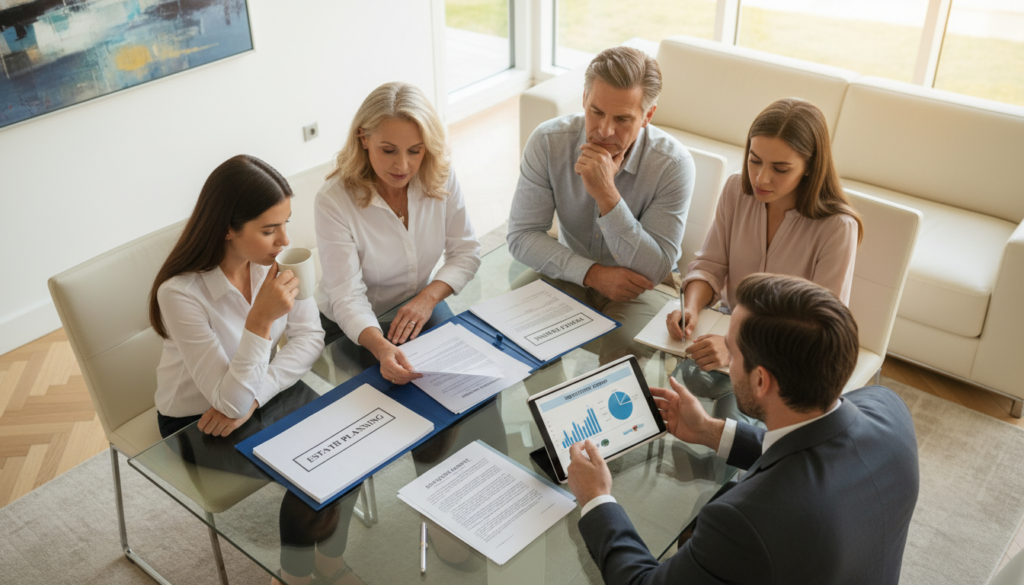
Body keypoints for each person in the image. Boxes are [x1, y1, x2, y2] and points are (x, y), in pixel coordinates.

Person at [566, 273, 920, 584]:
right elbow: (815, 444)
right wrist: (709, 430)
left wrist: (596, 499)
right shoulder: (889, 410)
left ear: (762, 379)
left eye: (732, 354)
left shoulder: (742, 522)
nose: (728, 364)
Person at [149, 155, 358, 585]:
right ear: (229, 227)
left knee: (350, 447)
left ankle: (330, 563)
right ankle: (292, 577)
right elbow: (226, 401)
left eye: (285, 223)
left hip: (260, 393)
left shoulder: (279, 263)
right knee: (309, 474)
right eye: (269, 230)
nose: (284, 240)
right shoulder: (181, 294)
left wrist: (258, 396)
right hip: (196, 420)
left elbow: (309, 339)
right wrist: (260, 322)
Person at [507, 46, 695, 364]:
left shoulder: (672, 164)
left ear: (648, 115)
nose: (605, 130)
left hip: (644, 287)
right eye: (596, 111)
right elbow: (521, 236)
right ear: (584, 99)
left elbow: (657, 267)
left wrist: (607, 195)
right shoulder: (548, 142)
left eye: (622, 118)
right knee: (513, 321)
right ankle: (544, 407)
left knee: (624, 348)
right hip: (572, 271)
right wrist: (592, 274)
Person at [667, 97, 862, 372]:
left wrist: (735, 347)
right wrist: (691, 307)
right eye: (754, 160)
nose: (760, 178)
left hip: (789, 355)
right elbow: (711, 265)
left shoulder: (838, 228)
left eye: (780, 169)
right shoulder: (736, 191)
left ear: (810, 166)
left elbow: (817, 325)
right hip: (727, 329)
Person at [315, 81, 481, 385]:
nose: (403, 165)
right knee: (388, 401)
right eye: (388, 150)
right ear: (363, 138)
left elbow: (466, 252)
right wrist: (382, 348)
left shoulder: (440, 175)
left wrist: (428, 298)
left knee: (469, 383)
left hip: (419, 306)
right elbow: (347, 296)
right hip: (351, 325)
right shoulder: (333, 200)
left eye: (415, 151)